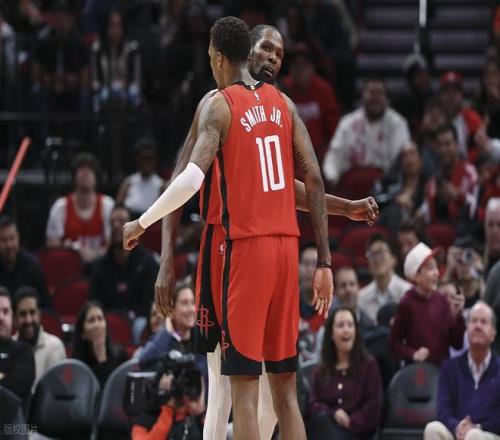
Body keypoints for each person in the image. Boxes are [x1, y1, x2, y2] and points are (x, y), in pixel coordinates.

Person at [129, 23, 378, 440]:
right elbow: (305, 181)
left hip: (242, 248)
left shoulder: (236, 106)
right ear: (247, 51)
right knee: (250, 388)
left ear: (220, 57)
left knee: (245, 388)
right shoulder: (260, 105)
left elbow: (190, 181)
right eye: (266, 48)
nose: (273, 58)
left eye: (280, 52)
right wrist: (167, 261)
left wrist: (140, 223)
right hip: (253, 245)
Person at [424, 301, 500, 440]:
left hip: (488, 433)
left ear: (493, 333)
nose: (478, 326)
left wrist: (478, 427)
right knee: (433, 428)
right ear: (466, 329)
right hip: (458, 431)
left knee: (473, 436)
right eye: (473, 321)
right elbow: (443, 411)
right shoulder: (449, 367)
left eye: (483, 322)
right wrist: (457, 426)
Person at [308, 307, 383, 440]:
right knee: (321, 420)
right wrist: (333, 413)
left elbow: (374, 406)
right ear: (331, 334)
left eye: (350, 325)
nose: (346, 330)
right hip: (327, 429)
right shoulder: (321, 371)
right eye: (340, 325)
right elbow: (313, 403)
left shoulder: (369, 366)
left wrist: (350, 422)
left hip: (358, 433)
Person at [322, 77, 410, 187]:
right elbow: (334, 155)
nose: (375, 98)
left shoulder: (397, 123)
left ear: (386, 98)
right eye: (371, 92)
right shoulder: (348, 123)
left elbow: (402, 160)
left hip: (384, 185)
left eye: (379, 93)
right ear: (362, 95)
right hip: (351, 185)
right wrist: (332, 178)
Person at [90, 205, 158, 343]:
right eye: (112, 222)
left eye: (121, 222)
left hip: (140, 319)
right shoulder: (100, 265)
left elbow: (151, 302)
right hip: (110, 322)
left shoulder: (147, 262)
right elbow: (95, 301)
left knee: (140, 325)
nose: (116, 226)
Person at [390, 243, 465, 365]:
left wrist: (458, 317)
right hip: (418, 372)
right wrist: (413, 354)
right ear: (417, 276)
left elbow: (457, 344)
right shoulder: (407, 303)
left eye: (436, 267)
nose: (437, 273)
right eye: (430, 268)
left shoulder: (442, 300)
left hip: (441, 371)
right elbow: (394, 344)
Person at [46, 152, 115, 264]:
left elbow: (114, 245)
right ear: (74, 177)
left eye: (90, 169)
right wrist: (67, 249)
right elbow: (52, 248)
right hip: (69, 266)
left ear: (96, 177)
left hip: (101, 266)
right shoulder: (60, 206)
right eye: (81, 169)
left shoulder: (107, 205)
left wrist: (94, 255)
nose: (85, 173)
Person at [139, 282, 207, 380]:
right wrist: (167, 332)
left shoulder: (202, 338)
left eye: (193, 303)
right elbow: (143, 361)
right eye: (184, 303)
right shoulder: (163, 339)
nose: (191, 309)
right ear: (172, 310)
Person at [422, 124, 478, 223]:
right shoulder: (432, 181)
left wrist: (458, 197)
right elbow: (426, 213)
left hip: (463, 229)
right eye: (439, 145)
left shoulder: (470, 173)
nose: (443, 150)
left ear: (457, 145)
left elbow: (477, 208)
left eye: (447, 144)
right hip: (435, 230)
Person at [13, 286, 66, 389]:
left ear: (39, 314)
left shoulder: (55, 347)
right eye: (23, 314)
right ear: (15, 318)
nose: (28, 320)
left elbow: (59, 391)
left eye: (32, 312)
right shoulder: (8, 349)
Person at [72, 300, 128, 387]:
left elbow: (112, 390)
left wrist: (101, 357)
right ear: (83, 333)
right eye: (91, 320)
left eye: (100, 319)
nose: (97, 325)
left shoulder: (120, 355)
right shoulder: (77, 362)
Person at [358, 234, 412, 323]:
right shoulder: (361, 298)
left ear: (394, 259)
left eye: (381, 253)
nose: (376, 259)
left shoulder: (407, 292)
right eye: (372, 254)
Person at [0, 215, 51, 308]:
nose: (9, 245)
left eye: (12, 238)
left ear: (18, 237)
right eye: (4, 240)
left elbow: (45, 306)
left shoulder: (32, 266)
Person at [0, 287, 35, 408]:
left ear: (13, 317)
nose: (1, 317)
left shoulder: (24, 351)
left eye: (5, 311)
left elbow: (18, 385)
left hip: (12, 418)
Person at [115, 138, 165, 218]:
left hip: (151, 222)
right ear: (138, 159)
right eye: (143, 158)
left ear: (155, 160)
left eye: (150, 159)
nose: (147, 163)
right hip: (130, 220)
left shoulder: (161, 185)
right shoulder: (128, 183)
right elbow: (118, 208)